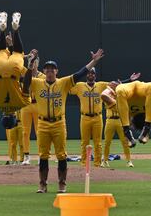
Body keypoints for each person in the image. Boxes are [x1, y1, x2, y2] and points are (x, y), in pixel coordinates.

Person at [30, 48, 104, 194]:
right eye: (48, 69)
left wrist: (94, 61)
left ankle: (62, 185)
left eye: (52, 69)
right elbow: (22, 77)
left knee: (62, 155)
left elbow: (80, 73)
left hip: (58, 123)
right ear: (44, 71)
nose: (50, 71)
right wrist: (31, 64)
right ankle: (42, 185)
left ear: (57, 71)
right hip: (43, 124)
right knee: (43, 155)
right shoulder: (36, 83)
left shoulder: (63, 83)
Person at [71, 69, 141, 168]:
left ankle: (97, 164)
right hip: (85, 117)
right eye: (89, 73)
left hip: (97, 117)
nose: (91, 75)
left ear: (95, 75)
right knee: (84, 142)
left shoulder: (101, 85)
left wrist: (129, 80)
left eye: (93, 73)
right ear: (86, 75)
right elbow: (67, 88)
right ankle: (83, 163)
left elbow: (115, 85)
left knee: (98, 143)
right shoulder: (79, 86)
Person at [19, 52, 44, 166]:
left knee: (39, 132)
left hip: (38, 105)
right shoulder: (25, 73)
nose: (33, 64)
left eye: (34, 61)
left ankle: (41, 156)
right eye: (31, 62)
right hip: (26, 104)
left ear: (38, 63)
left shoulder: (42, 76)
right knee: (25, 132)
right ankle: (26, 156)